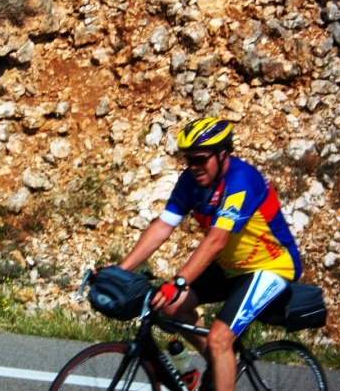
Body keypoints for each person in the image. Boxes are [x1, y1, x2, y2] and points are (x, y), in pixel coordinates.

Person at [118, 117, 302, 391]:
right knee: (170, 307)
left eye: (201, 159)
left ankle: (220, 356)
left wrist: (178, 282)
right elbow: (163, 226)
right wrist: (120, 271)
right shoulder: (190, 181)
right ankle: (219, 367)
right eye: (189, 160)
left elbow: (216, 240)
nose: (194, 167)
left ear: (223, 153)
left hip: (271, 265)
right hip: (229, 266)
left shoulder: (241, 180)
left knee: (219, 338)